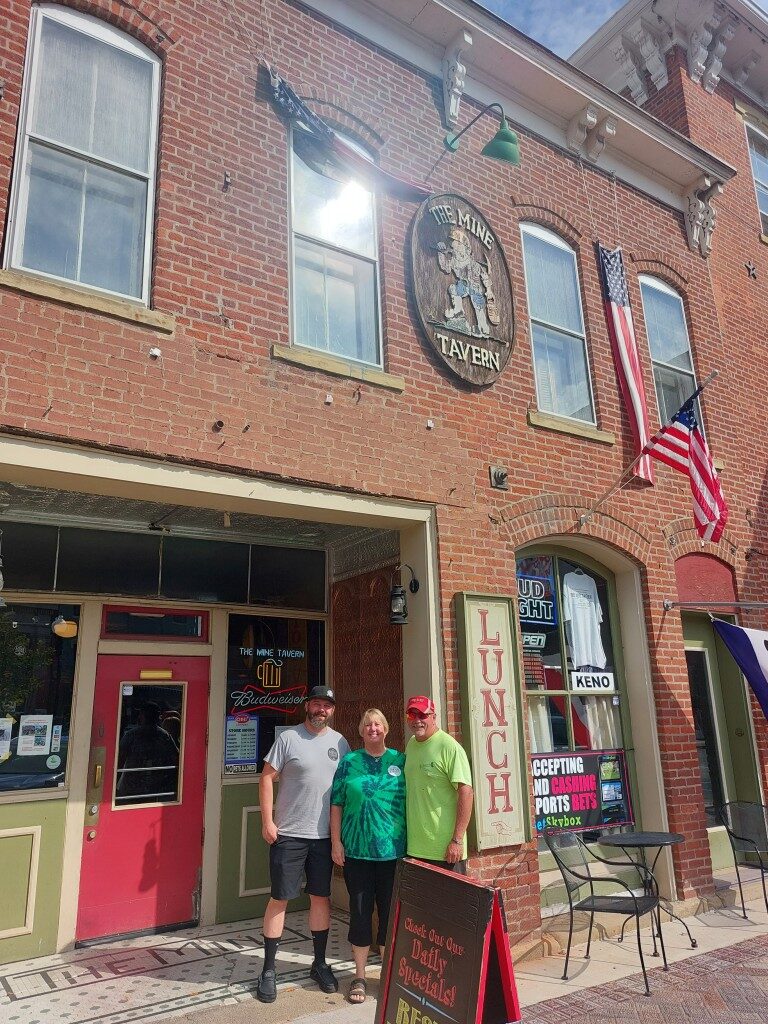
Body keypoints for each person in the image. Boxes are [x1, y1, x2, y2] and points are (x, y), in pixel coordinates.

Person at [256, 685, 350, 1003]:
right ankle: (269, 970)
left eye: (327, 705)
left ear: (332, 710)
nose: (321, 710)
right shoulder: (289, 738)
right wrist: (267, 821)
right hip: (290, 834)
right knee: (280, 898)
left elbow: (346, 789)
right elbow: (267, 777)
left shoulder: (341, 742)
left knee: (320, 898)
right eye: (316, 704)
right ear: (307, 706)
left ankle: (319, 963)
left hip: (323, 837)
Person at [330, 708, 406, 1004]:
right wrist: (336, 842)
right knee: (360, 914)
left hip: (393, 853)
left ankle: (386, 976)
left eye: (378, 724)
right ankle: (360, 975)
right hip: (357, 853)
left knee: (389, 915)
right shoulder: (349, 763)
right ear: (361, 732)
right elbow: (336, 803)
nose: (373, 729)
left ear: (386, 729)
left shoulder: (400, 761)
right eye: (367, 725)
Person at [404, 695, 473, 872]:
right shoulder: (411, 745)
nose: (417, 720)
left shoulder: (449, 747)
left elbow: (466, 792)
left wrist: (457, 840)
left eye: (422, 715)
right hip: (416, 848)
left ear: (434, 717)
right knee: (421, 900)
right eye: (412, 715)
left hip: (446, 851)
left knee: (451, 900)